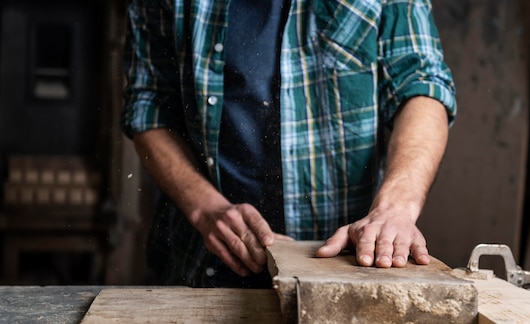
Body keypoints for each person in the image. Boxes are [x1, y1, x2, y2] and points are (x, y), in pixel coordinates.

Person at [122, 0, 456, 288]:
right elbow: (148, 107)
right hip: (204, 259)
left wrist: (394, 209)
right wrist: (205, 207)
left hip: (347, 263)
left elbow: (421, 86)